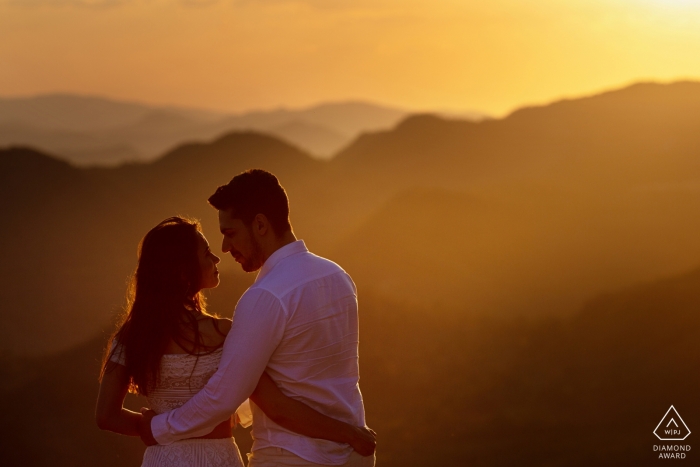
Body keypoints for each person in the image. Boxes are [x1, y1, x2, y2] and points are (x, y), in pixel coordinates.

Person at [138, 169, 376, 466]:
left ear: (260, 224)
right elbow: (311, 377)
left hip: (291, 457)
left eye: (230, 233)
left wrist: (157, 427)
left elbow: (223, 395)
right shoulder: (337, 276)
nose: (225, 248)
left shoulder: (265, 296)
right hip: (353, 454)